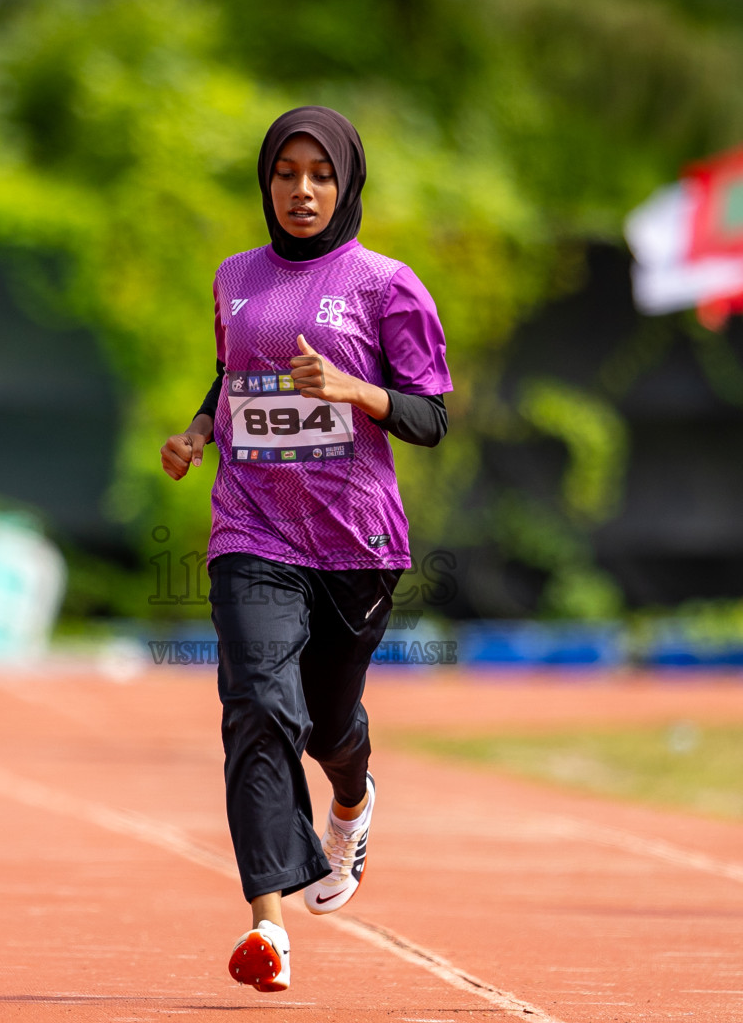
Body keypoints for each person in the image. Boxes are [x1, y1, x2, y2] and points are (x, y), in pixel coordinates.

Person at [160, 105, 451, 993]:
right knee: (256, 706)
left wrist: (356, 389)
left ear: (347, 184)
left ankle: (353, 805)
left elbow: (431, 415)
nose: (301, 190)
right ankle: (269, 927)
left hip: (355, 543)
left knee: (326, 722)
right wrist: (199, 430)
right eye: (286, 173)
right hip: (250, 529)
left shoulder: (385, 285)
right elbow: (234, 371)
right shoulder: (233, 278)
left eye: (319, 175)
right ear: (266, 183)